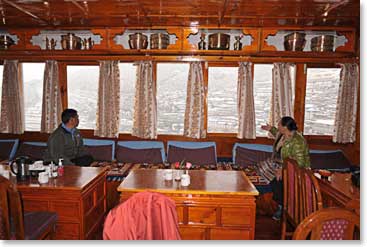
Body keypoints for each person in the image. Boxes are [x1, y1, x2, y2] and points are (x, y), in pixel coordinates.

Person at [260, 116, 310, 220]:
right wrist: (270, 129)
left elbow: (299, 163)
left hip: (295, 171)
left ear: (285, 127)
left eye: (279, 124)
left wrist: (283, 170)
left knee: (276, 180)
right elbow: (276, 133)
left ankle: (281, 207)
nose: (277, 126)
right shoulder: (282, 134)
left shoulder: (297, 141)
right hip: (279, 164)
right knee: (260, 169)